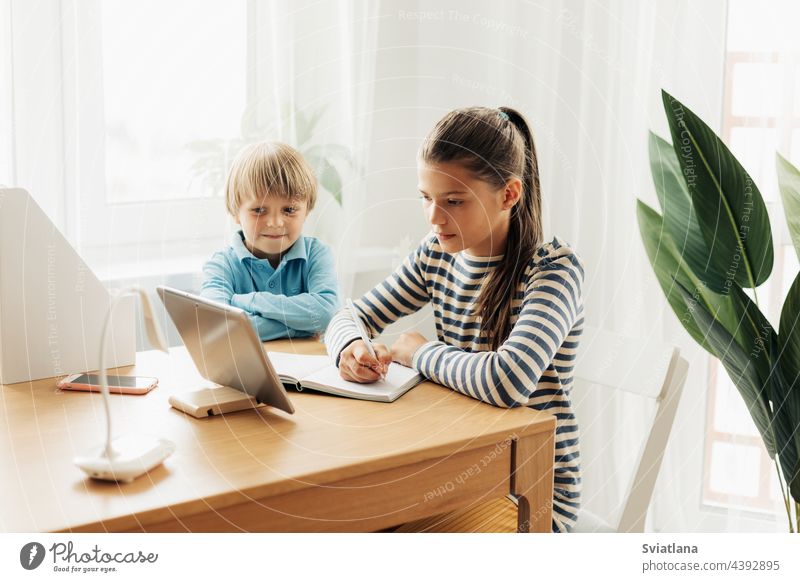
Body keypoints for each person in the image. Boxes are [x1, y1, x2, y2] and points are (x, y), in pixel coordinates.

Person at [325, 107, 583, 533]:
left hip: (529, 495)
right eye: (426, 198)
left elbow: (508, 380)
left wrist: (419, 352)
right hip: (456, 470)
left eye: (454, 201)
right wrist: (350, 348)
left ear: (509, 195)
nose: (433, 217)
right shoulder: (436, 255)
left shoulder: (553, 270)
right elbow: (351, 314)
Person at [202, 141, 339, 340]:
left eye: (289, 210)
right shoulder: (221, 265)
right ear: (236, 213)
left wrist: (250, 301)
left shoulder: (317, 254)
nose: (275, 223)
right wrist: (301, 328)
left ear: (306, 211)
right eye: (258, 210)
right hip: (245, 370)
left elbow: (326, 313)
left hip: (307, 367)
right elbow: (218, 326)